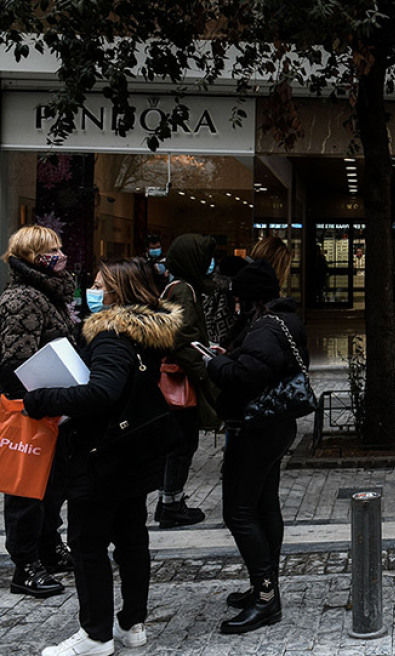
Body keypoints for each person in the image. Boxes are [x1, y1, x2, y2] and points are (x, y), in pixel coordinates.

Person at [27, 258, 183, 656]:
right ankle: (133, 623)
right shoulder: (146, 332)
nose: (91, 291)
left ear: (117, 292)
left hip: (103, 455)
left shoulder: (112, 335)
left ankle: (95, 634)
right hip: (133, 453)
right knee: (132, 537)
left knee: (87, 543)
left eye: (98, 284)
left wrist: (43, 399)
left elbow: (102, 392)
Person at [205, 256, 308, 634]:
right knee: (265, 506)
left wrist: (214, 365)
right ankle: (264, 588)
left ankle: (266, 598)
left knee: (239, 512)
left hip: (256, 427)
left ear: (247, 299)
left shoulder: (264, 329)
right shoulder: (284, 320)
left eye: (237, 299)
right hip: (274, 425)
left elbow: (247, 376)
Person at [0, 225, 76, 598]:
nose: (60, 255)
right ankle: (25, 565)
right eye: (52, 250)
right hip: (31, 409)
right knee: (26, 491)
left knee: (53, 485)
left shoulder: (48, 293)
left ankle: (49, 546)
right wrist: (36, 405)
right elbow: (14, 360)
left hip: (53, 407)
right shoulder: (23, 298)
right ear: (33, 256)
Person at [156, 233, 220, 528]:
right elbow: (183, 339)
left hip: (180, 371)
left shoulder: (175, 286)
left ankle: (170, 501)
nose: (209, 264)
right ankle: (171, 504)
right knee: (182, 444)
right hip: (180, 378)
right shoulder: (183, 290)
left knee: (178, 444)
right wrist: (205, 371)